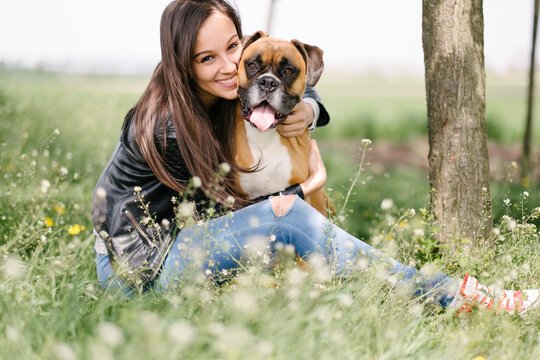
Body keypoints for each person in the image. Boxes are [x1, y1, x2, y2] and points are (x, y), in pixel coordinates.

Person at [92, 0, 539, 315]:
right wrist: (305, 187)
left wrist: (308, 109)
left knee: (288, 228)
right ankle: (449, 295)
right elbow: (232, 210)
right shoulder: (169, 127)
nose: (229, 66)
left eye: (233, 48)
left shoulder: (229, 90)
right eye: (207, 58)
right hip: (140, 271)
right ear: (181, 65)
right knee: (287, 216)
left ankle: (364, 294)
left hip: (171, 250)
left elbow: (290, 76)